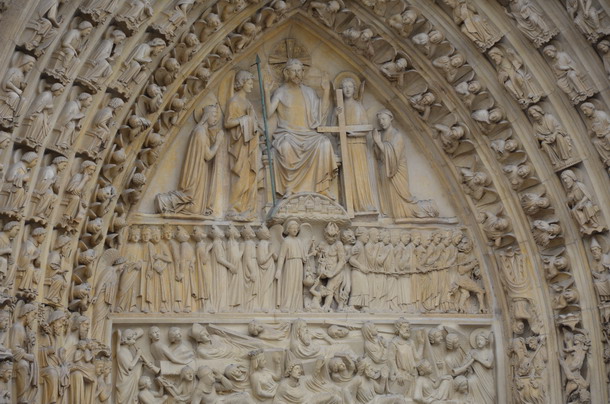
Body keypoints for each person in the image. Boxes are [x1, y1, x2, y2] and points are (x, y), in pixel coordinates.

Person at [265, 59, 338, 198]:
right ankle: (289, 187)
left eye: (299, 71)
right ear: (286, 73)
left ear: (303, 72)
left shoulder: (309, 92)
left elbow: (321, 113)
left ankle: (322, 187)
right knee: (285, 146)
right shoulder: (281, 92)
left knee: (324, 143)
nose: (297, 74)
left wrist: (326, 91)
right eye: (293, 71)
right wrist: (266, 92)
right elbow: (268, 113)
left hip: (308, 134)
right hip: (288, 134)